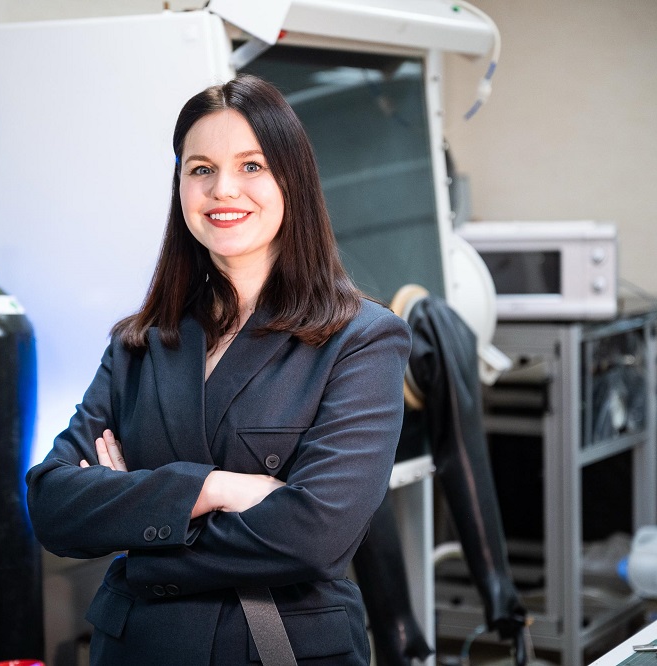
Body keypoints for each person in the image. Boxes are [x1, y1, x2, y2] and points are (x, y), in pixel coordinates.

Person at [26, 74, 411, 665]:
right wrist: (216, 489)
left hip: (273, 648)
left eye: (251, 166)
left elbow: (315, 535)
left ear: (292, 179)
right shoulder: (140, 343)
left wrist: (137, 527)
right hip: (136, 651)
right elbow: (54, 505)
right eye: (200, 169)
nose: (222, 189)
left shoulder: (361, 339)